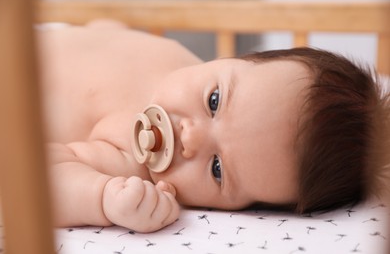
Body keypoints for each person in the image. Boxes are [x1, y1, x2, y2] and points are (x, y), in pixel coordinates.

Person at [37, 20, 390, 233]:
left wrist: (101, 198)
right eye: (215, 102)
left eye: (218, 169)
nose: (189, 138)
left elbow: (33, 179)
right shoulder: (174, 57)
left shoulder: (131, 160)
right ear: (231, 58)